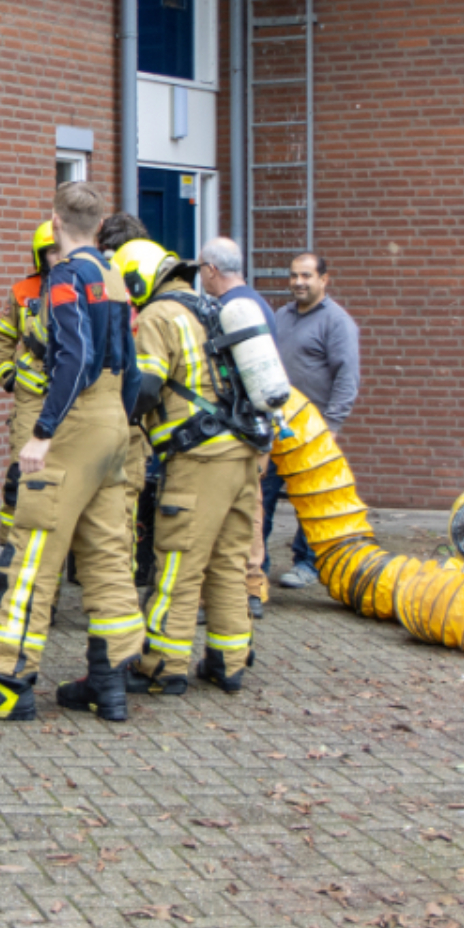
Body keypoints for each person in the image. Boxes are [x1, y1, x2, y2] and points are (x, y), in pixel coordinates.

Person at [0, 181, 144, 723]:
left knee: (33, 554)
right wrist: (119, 422)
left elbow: (72, 358)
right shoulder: (114, 278)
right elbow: (132, 366)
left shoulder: (65, 278)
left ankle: (8, 681)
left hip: (73, 426)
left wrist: (44, 432)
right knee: (106, 553)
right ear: (99, 226)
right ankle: (110, 681)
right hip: (113, 423)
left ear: (55, 223)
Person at [115, 239, 259, 695]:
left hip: (199, 459)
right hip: (241, 451)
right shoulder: (208, 306)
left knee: (178, 562)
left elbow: (146, 387)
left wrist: (116, 418)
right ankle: (228, 661)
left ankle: (162, 664)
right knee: (228, 561)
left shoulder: (158, 316)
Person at [188, 237, 279, 690]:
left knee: (227, 536)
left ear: (209, 269)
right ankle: (236, 649)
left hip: (234, 437)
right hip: (256, 431)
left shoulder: (230, 310)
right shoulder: (257, 303)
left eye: (201, 269)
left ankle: (248, 590)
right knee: (244, 520)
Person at [264, 252, 361, 589]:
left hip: (313, 432)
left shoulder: (337, 322)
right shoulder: (281, 316)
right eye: (294, 276)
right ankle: (256, 566)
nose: (298, 283)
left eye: (306, 276)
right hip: (276, 426)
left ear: (324, 279)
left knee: (312, 501)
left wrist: (332, 426)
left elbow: (347, 377)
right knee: (262, 495)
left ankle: (307, 563)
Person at [0, 221, 57, 604]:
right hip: (31, 399)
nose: (57, 257)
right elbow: (1, 340)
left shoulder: (80, 288)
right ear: (39, 254)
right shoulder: (22, 292)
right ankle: (11, 559)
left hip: (71, 400)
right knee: (21, 479)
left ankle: (54, 575)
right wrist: (8, 377)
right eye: (50, 251)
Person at [97, 213, 159, 591]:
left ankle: (111, 594)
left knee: (115, 512)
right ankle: (115, 594)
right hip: (127, 422)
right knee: (120, 512)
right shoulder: (143, 299)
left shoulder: (96, 288)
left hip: (112, 420)